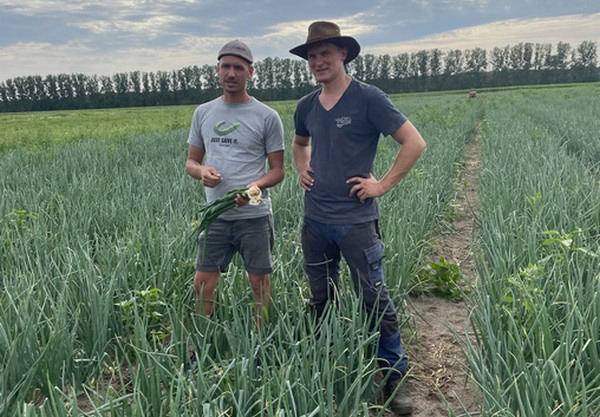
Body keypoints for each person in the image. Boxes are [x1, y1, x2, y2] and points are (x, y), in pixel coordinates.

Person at [290, 21, 426, 415]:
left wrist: (381, 185)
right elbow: (299, 143)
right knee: (321, 297)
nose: (318, 61)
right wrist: (302, 167)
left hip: (356, 222)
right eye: (312, 56)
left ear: (343, 54)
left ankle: (393, 374)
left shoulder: (368, 98)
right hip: (315, 221)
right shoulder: (306, 105)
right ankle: (326, 361)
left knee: (374, 298)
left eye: (325, 54)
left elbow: (414, 142)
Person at [185, 39, 285, 322]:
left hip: (254, 216)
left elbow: (278, 170)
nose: (231, 73)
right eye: (226, 67)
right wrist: (202, 172)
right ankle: (203, 336)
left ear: (250, 72)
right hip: (216, 216)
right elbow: (191, 163)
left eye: (239, 68)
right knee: (203, 282)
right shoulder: (203, 113)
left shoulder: (267, 116)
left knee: (259, 282)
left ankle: (261, 336)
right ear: (217, 70)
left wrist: (255, 188)